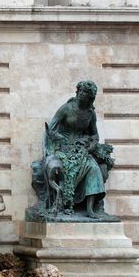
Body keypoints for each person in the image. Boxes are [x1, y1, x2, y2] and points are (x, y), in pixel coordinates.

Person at [43, 80, 115, 220]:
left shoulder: (90, 113)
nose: (82, 94)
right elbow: (51, 130)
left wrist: (92, 145)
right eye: (81, 91)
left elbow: (94, 134)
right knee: (69, 167)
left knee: (93, 167)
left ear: (90, 97)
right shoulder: (66, 108)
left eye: (86, 93)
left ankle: (90, 209)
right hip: (63, 148)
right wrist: (66, 140)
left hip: (82, 149)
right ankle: (65, 203)